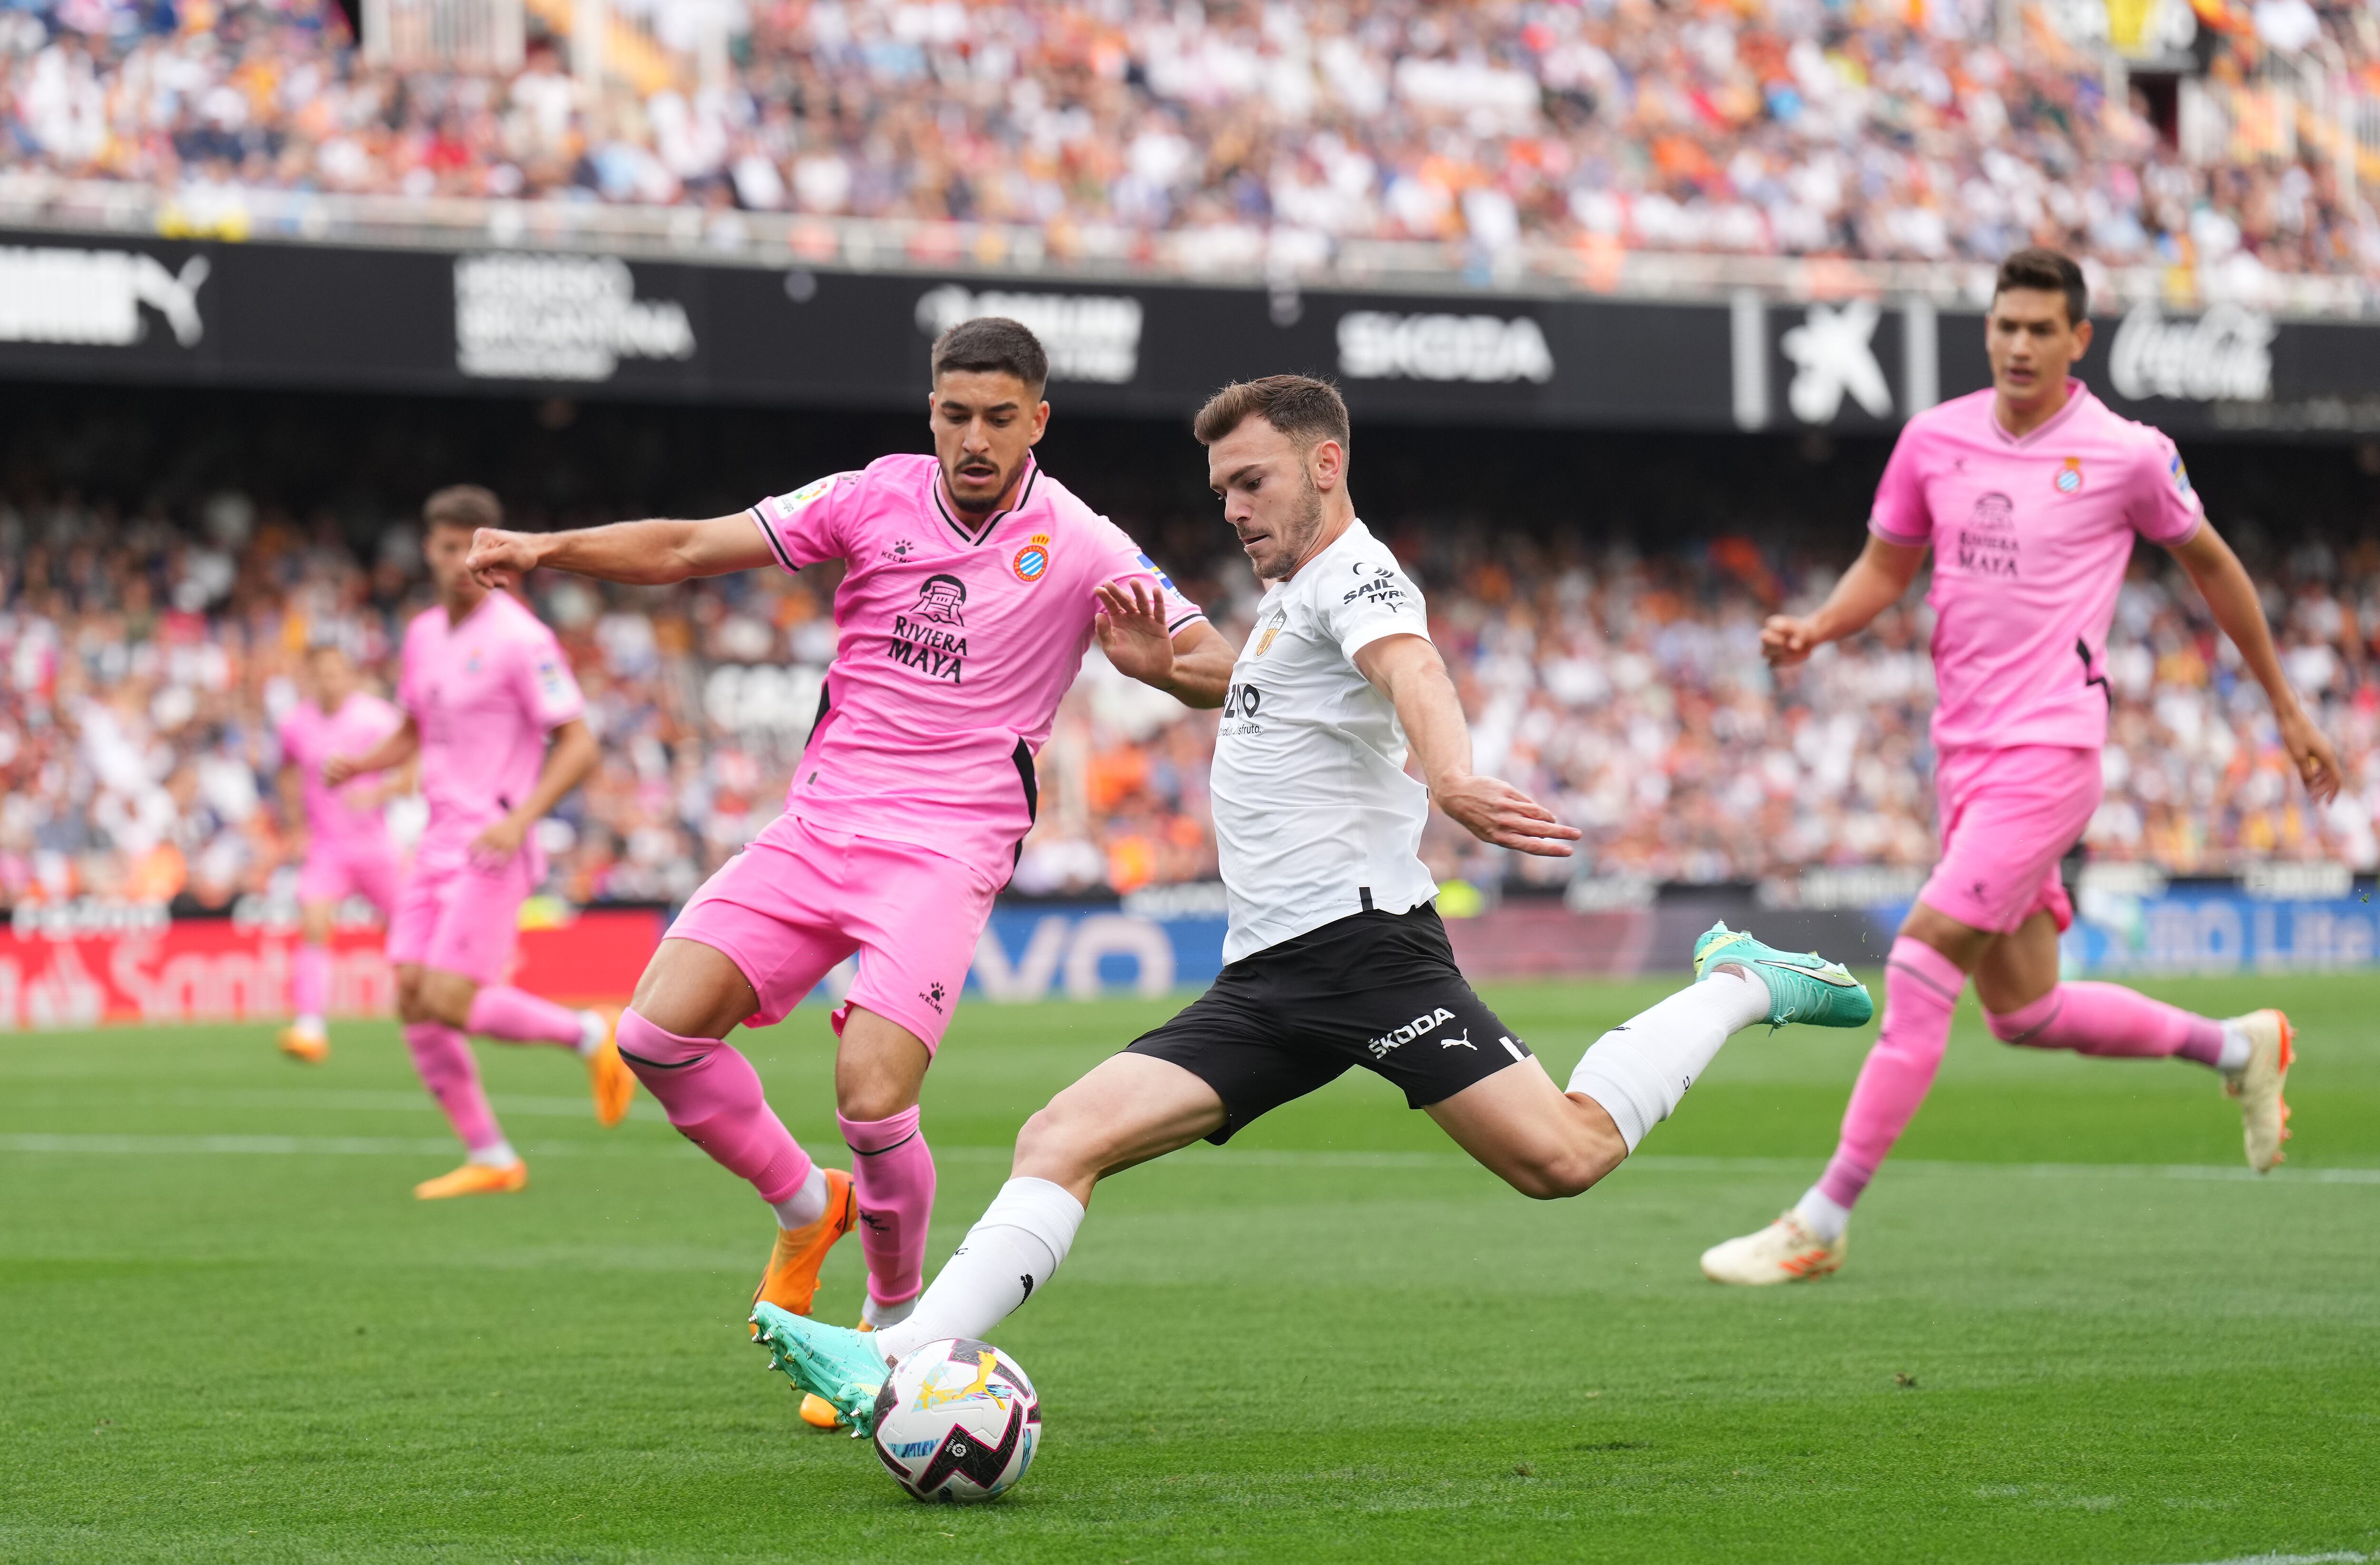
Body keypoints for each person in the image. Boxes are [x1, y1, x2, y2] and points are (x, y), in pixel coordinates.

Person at [748, 374, 1876, 1432]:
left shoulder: (1360, 576)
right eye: (1222, 491)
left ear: (1325, 464)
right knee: (1061, 1134)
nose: (1234, 509)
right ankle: (894, 1360)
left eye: (1254, 482)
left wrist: (1448, 774)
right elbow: (1283, 710)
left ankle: (1738, 980)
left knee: (1563, 1158)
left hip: (1366, 953)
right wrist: (1160, 669)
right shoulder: (1289, 602)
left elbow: (1414, 673)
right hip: (1270, 977)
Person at [462, 318, 1236, 1356]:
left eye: (999, 418)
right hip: (821, 820)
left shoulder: (1082, 539)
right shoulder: (869, 494)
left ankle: (888, 1318)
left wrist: (1155, 665)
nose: (974, 437)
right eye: (955, 413)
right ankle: (801, 1200)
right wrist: (547, 548)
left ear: (1037, 421)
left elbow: (1219, 663)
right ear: (931, 411)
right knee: (653, 1035)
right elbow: (693, 546)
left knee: (872, 1095)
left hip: (948, 842)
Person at [1699, 248, 2344, 1286]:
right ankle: (2240, 1047)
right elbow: (1886, 565)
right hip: (1964, 759)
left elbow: (2213, 564)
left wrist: (2282, 703)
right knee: (2025, 1012)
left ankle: (1820, 1216)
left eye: (2043, 328)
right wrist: (1819, 627)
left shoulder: (2126, 454)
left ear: (2078, 340)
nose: (2019, 344)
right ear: (1988, 329)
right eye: (2006, 324)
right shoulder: (1933, 439)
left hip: (2051, 752)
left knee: (1919, 957)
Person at [326, 486, 636, 1200]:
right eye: (443, 546)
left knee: (450, 996)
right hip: (436, 839)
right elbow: (412, 727)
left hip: (492, 840)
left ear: (494, 552)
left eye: (473, 545)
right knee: (409, 994)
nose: (457, 560)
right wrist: (363, 762)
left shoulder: (522, 637)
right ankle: (492, 1154)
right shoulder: (425, 634)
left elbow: (581, 743)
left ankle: (592, 1033)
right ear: (427, 551)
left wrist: (521, 817)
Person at [274, 640, 408, 1064]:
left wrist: (384, 791)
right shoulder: (297, 723)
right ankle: (311, 1026)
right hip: (327, 848)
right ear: (311, 677)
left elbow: (416, 759)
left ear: (348, 674)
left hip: (375, 846)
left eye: (336, 671)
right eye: (321, 672)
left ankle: (426, 1014)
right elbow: (287, 771)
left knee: (406, 936)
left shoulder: (377, 716)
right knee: (314, 922)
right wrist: (295, 824)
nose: (329, 680)